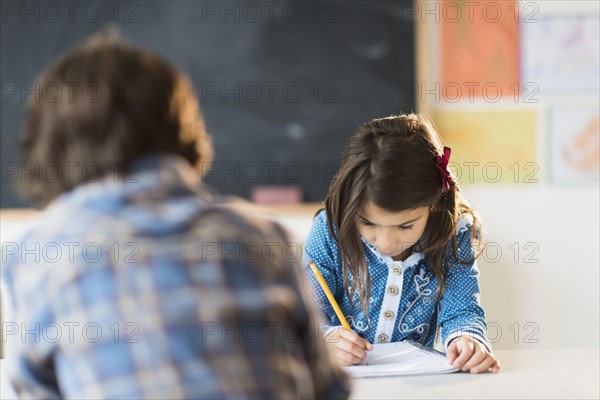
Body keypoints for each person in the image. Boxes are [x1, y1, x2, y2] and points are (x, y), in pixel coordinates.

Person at [2, 35, 350, 398]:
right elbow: (325, 389)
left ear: (50, 150)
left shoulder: (39, 255)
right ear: (187, 136)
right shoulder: (263, 237)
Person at [303, 114, 500, 374]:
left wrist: (467, 340)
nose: (386, 242)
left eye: (405, 226)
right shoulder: (331, 229)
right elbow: (304, 312)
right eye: (368, 223)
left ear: (434, 204)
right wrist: (324, 339)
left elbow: (461, 309)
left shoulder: (455, 233)